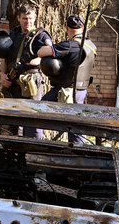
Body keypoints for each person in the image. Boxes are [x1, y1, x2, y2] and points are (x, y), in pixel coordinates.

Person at [35, 14, 97, 144]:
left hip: (64, 92)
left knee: (37, 115)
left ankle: (35, 146)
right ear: (83, 27)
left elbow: (41, 53)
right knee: (75, 124)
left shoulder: (69, 45)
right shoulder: (91, 45)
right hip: (81, 91)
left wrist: (46, 46)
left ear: (66, 27)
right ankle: (79, 154)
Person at [0, 4, 52, 138]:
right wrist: (3, 75)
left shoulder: (41, 36)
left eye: (30, 18)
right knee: (12, 120)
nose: (27, 22)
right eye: (24, 18)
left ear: (35, 18)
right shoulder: (13, 34)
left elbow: (52, 52)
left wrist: (40, 60)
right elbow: (5, 57)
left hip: (31, 83)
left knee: (32, 117)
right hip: (13, 82)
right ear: (18, 18)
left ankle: (34, 150)